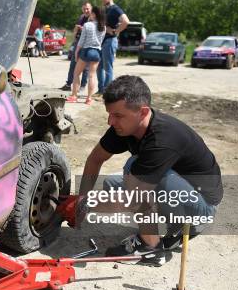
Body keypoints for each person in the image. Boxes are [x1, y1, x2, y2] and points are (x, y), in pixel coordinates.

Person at [75, 75, 223, 265]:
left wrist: (84, 206)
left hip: (203, 204)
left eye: (118, 115)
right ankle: (175, 227)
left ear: (143, 112)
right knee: (112, 184)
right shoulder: (123, 127)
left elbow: (134, 198)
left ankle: (152, 249)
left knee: (134, 170)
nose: (110, 121)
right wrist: (82, 196)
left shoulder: (163, 139)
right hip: (181, 188)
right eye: (109, 114)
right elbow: (95, 159)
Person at [66, 6, 106, 105]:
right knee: (92, 76)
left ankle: (74, 96)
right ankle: (89, 98)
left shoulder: (87, 25)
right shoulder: (103, 27)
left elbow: (81, 41)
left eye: (91, 13)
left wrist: (76, 52)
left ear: (94, 14)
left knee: (76, 73)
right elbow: (101, 41)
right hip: (97, 52)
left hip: (86, 50)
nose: (90, 14)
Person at [96, 0, 129, 95]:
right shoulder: (106, 9)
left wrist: (116, 31)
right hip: (102, 41)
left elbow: (126, 21)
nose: (102, 0)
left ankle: (106, 91)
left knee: (107, 67)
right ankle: (101, 90)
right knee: (99, 66)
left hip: (110, 41)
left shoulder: (115, 9)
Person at [61, 2, 91, 91]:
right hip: (77, 42)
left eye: (87, 9)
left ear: (91, 9)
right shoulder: (81, 17)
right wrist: (75, 35)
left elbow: (94, 31)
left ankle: (82, 86)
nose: (86, 10)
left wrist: (83, 29)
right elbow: (76, 29)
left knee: (86, 66)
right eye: (84, 9)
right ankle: (68, 84)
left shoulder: (92, 18)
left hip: (86, 43)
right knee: (73, 64)